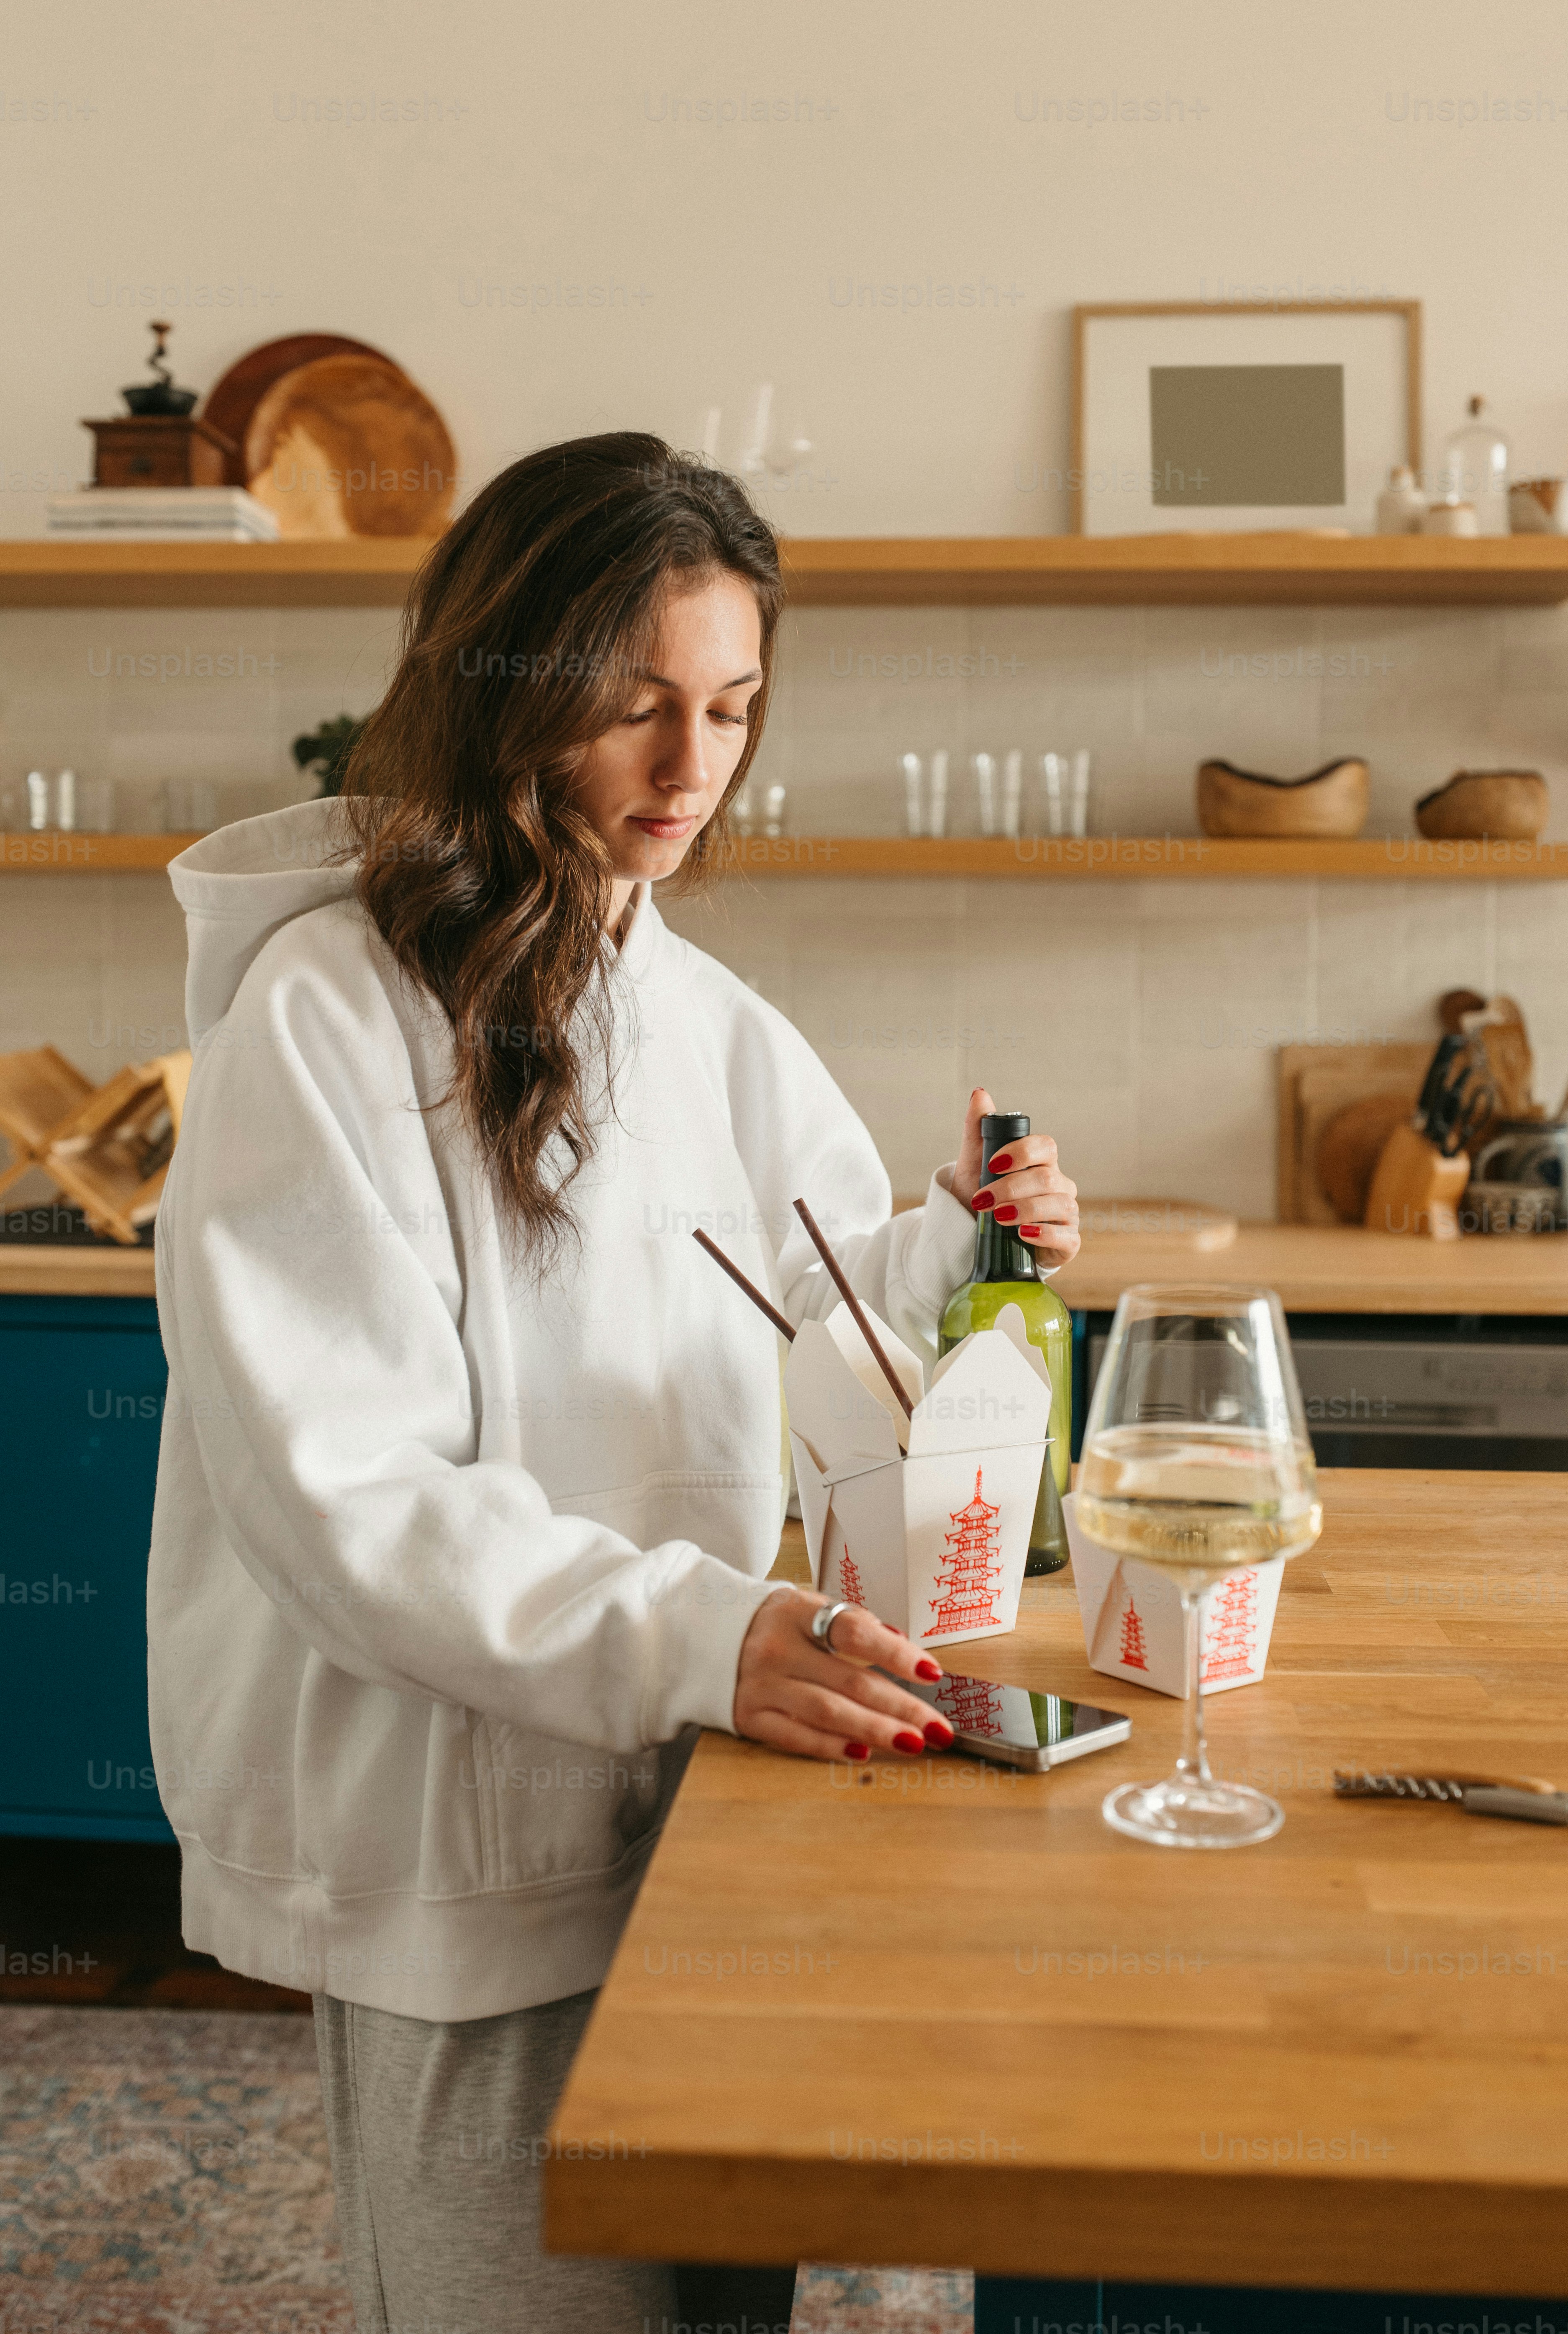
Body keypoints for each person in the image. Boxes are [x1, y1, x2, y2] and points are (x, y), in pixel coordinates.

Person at [148, 433, 1080, 2334]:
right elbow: (353, 1500)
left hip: (705, 1797)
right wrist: (700, 1635)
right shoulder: (320, 1020)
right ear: (505, 685)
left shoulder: (696, 1010)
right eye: (635, 707)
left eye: (731, 710)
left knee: (713, 2306)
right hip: (462, 1846)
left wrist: (972, 1236)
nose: (690, 771)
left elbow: (802, 1293)